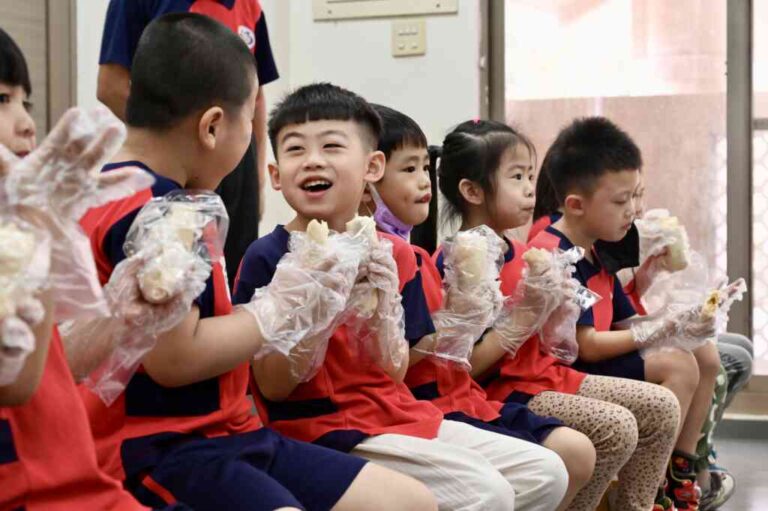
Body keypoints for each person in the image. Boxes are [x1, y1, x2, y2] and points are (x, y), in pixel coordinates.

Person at [79, 15, 435, 511]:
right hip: (164, 445)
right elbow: (175, 360)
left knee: (408, 502)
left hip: (233, 432)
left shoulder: (138, 194)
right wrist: (281, 305)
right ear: (213, 126)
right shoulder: (160, 212)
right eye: (251, 120)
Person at [234, 83, 570, 511]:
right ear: (277, 175)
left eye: (332, 146)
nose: (313, 160)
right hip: (317, 426)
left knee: (546, 473)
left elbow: (393, 372)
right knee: (486, 492)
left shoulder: (388, 252)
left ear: (371, 166)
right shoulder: (267, 256)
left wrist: (393, 316)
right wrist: (316, 306)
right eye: (296, 149)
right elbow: (272, 389)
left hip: (392, 411)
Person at [436, 119, 680, 511]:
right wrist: (522, 320)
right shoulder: (454, 263)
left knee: (662, 406)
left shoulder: (525, 254)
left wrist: (558, 314)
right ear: (472, 191)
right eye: (517, 176)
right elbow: (463, 369)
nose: (531, 188)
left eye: (531, 175)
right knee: (615, 427)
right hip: (509, 390)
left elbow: (562, 346)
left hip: (548, 374)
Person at [363, 103, 594, 510]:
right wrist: (490, 320)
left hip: (472, 391)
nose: (423, 182)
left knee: (577, 453)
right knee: (563, 457)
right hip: (457, 395)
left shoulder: (428, 255)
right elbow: (416, 364)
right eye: (408, 169)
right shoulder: (428, 259)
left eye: (424, 169)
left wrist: (552, 308)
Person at [0, 26, 177, 511]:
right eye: (1, 100)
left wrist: (118, 311)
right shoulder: (19, 237)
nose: (26, 126)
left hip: (88, 485)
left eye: (25, 103)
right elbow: (14, 382)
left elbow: (51, 368)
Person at [528, 116, 721, 510]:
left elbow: (619, 316)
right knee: (680, 367)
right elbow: (588, 347)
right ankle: (658, 484)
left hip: (586, 362)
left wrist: (675, 316)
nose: (633, 210)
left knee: (700, 353)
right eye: (621, 200)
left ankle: (673, 475)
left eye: (637, 195)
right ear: (575, 204)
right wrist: (663, 330)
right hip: (564, 372)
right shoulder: (556, 253)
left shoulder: (594, 245)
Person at [98, 0, 280, 289]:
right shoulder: (165, 219)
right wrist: (272, 314)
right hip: (202, 150)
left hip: (215, 151)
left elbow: (254, 98)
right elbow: (182, 334)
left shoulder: (250, 7)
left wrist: (257, 177)